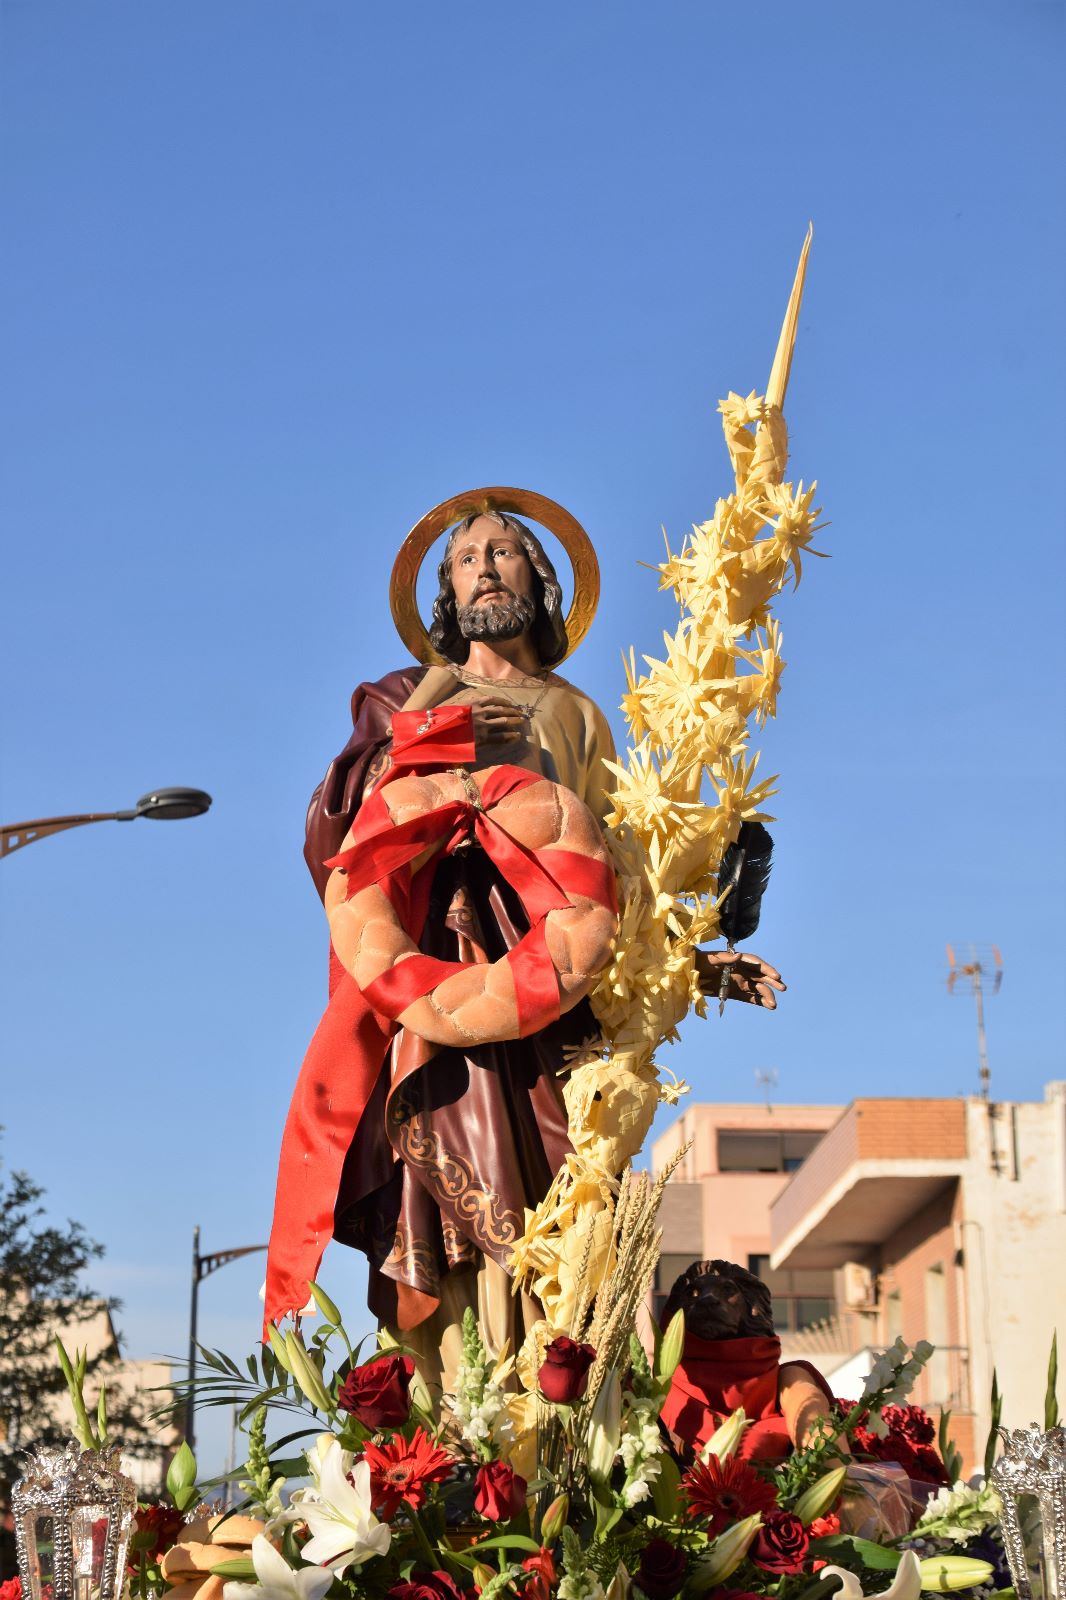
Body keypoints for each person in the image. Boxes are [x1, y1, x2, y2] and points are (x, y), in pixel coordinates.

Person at [265, 510, 784, 1383]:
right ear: (447, 593)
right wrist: (430, 740)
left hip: (554, 985)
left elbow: (616, 865)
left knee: (560, 1201)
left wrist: (692, 961)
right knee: (434, 1187)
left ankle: (547, 1422)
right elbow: (337, 833)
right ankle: (445, 1422)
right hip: (440, 968)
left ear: (539, 581)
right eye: (465, 559)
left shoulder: (577, 714)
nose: (485, 568)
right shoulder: (405, 696)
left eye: (503, 551)